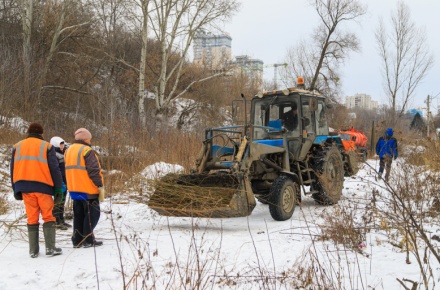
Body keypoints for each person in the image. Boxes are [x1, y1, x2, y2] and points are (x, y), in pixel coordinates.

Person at [10, 122, 63, 258]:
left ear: (28, 132)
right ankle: (50, 248)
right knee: (48, 216)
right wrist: (58, 188)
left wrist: (15, 187)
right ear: (41, 133)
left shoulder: (17, 146)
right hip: (43, 187)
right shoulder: (47, 146)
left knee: (32, 217)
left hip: (25, 188)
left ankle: (33, 251)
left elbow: (12, 169)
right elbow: (55, 169)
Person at [65, 128, 105, 248]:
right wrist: (99, 185)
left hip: (74, 188)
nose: (90, 140)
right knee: (93, 214)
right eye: (89, 138)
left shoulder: (68, 150)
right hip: (88, 188)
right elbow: (93, 170)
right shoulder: (87, 150)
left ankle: (77, 240)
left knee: (79, 214)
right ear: (85, 138)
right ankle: (87, 239)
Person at [50, 136, 72, 230]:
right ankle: (56, 221)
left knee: (62, 201)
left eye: (63, 144)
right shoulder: (54, 154)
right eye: (61, 144)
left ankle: (61, 220)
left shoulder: (62, 153)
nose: (62, 145)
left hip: (64, 180)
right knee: (58, 202)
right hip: (59, 181)